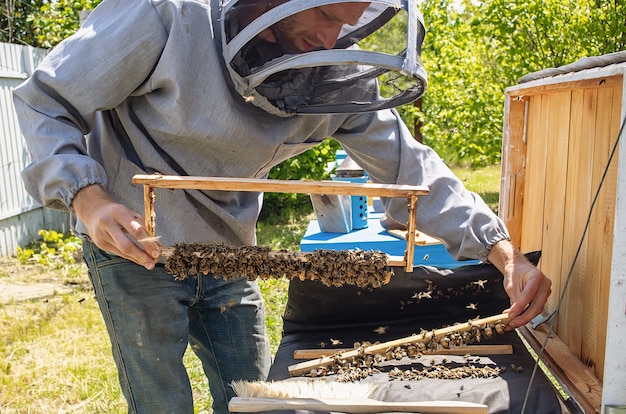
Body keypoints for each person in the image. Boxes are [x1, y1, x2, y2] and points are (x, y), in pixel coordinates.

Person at [12, 0, 552, 413]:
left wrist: (500, 250)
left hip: (231, 250)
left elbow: (411, 168)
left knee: (256, 395)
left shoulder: (332, 68)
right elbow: (45, 99)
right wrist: (88, 199)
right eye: (321, 14)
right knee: (161, 399)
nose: (331, 37)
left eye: (345, 22)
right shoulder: (166, 14)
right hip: (135, 244)